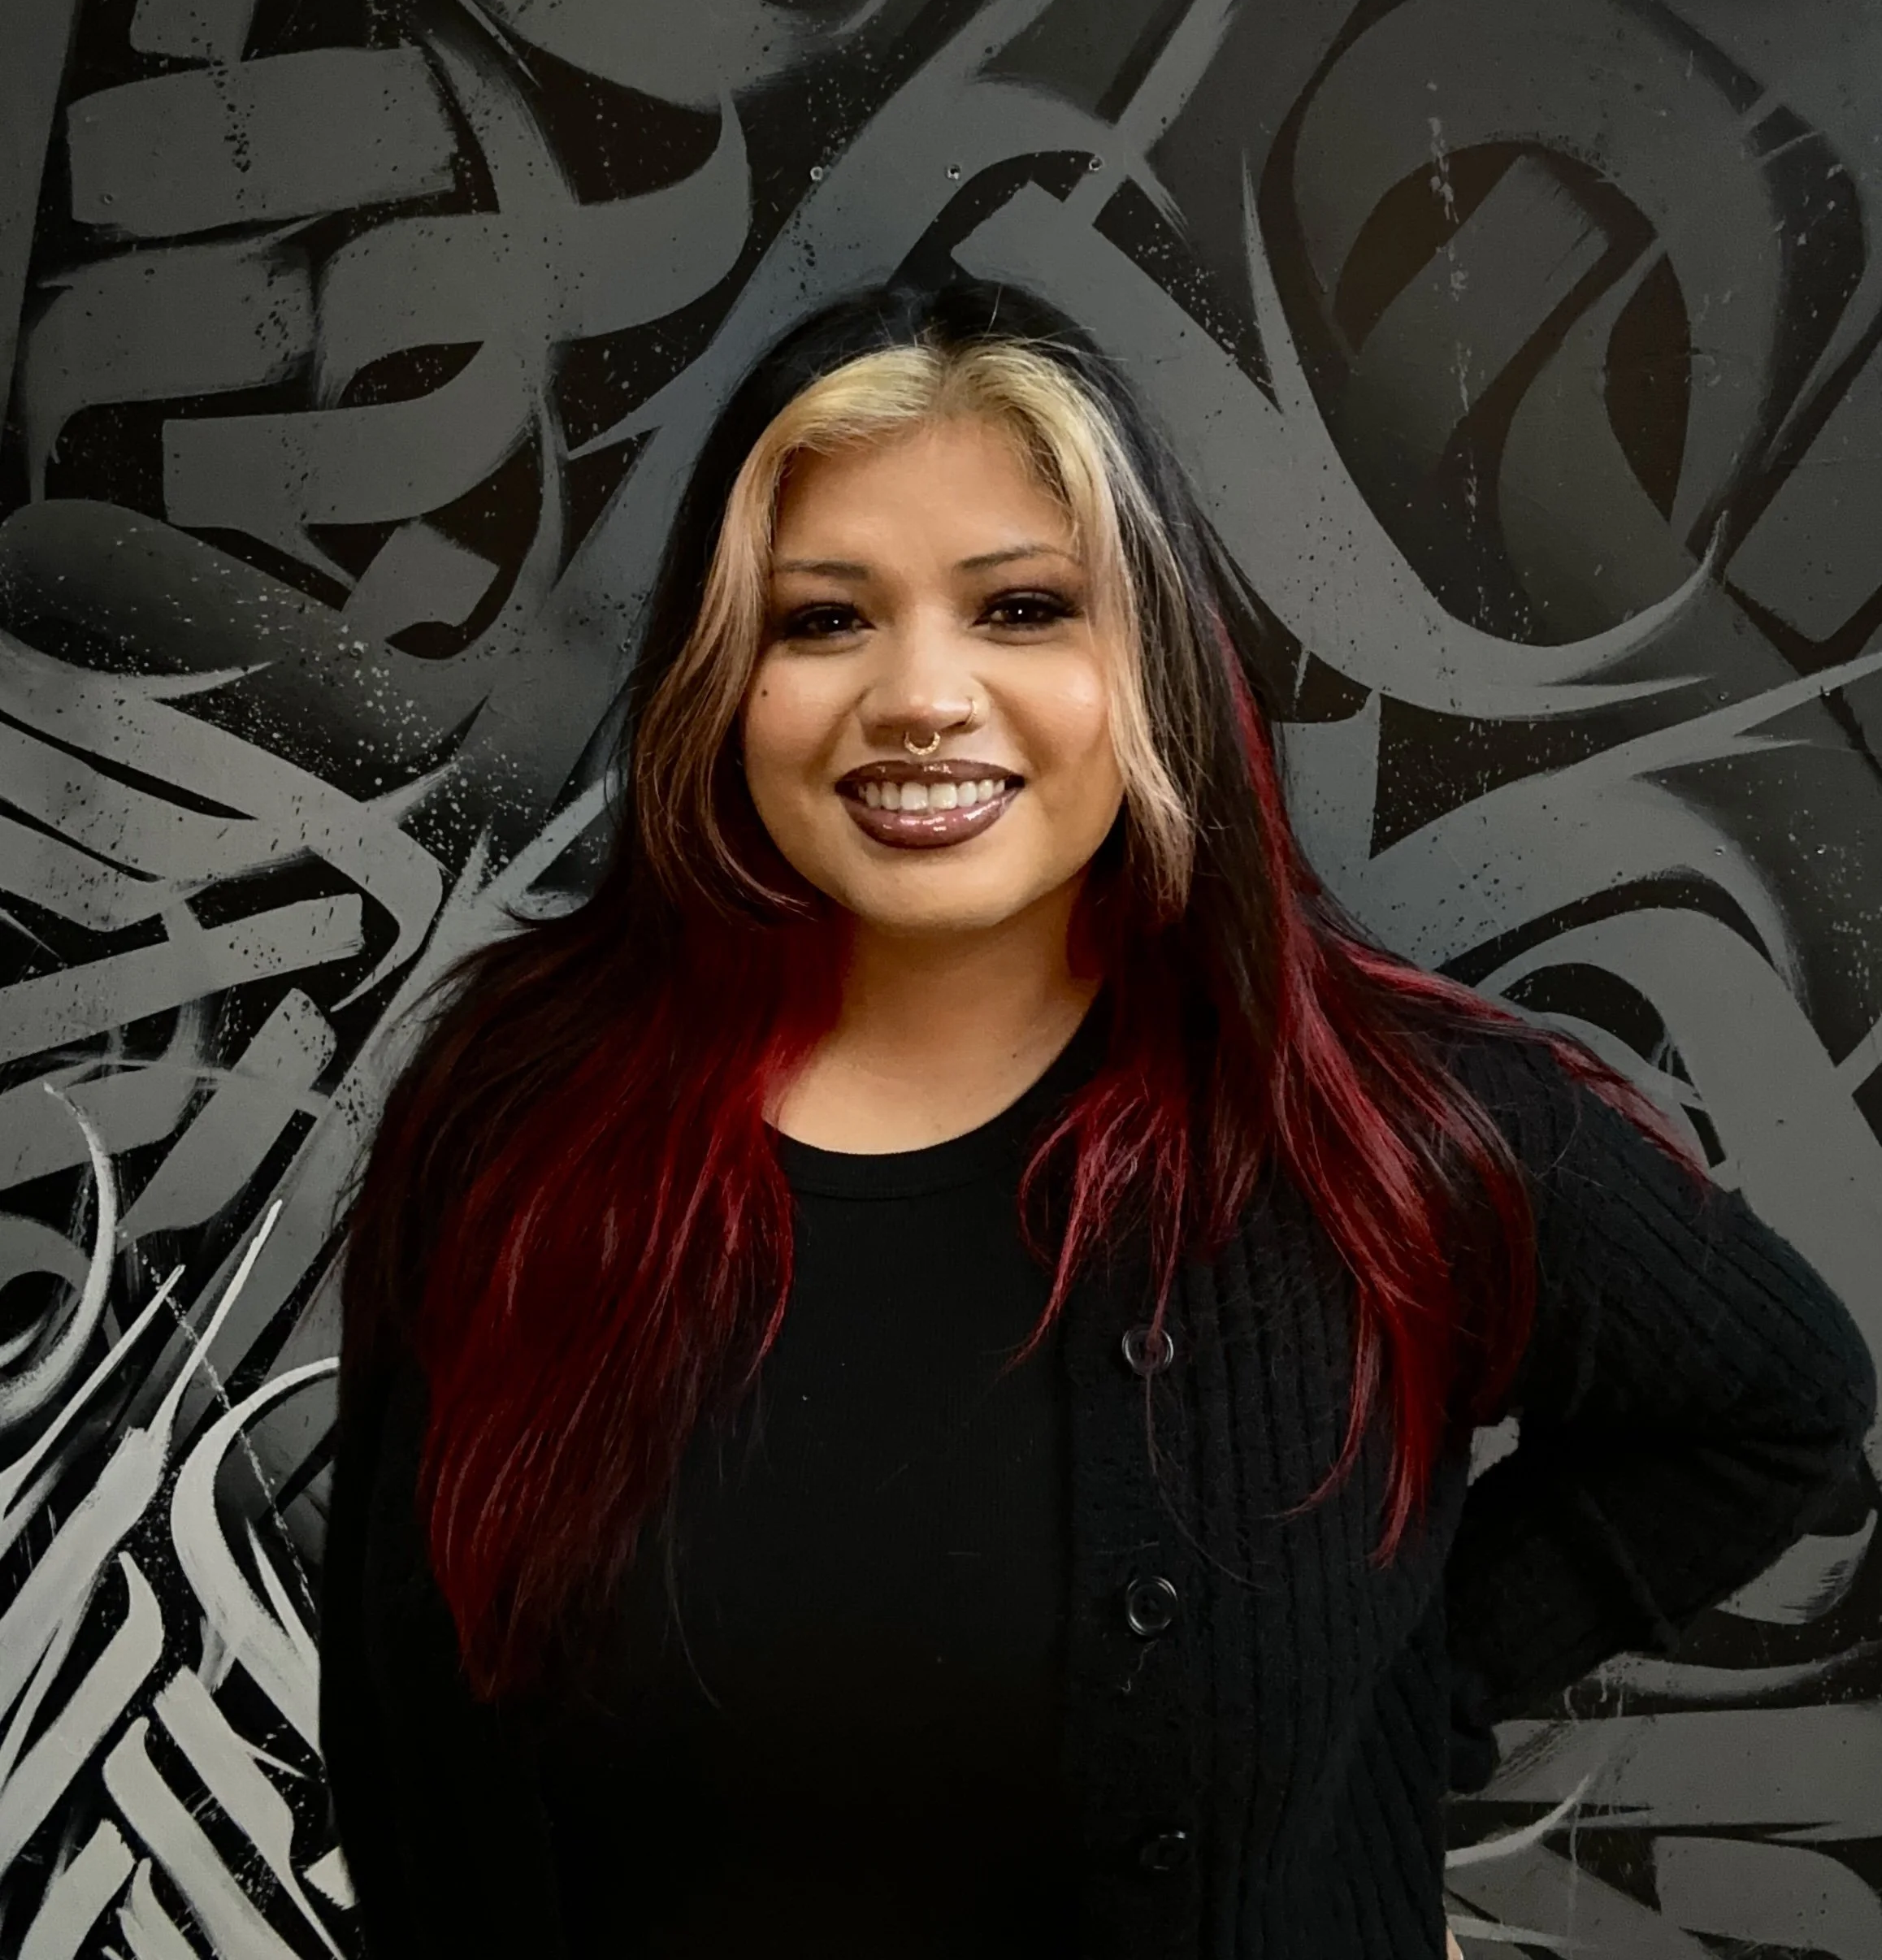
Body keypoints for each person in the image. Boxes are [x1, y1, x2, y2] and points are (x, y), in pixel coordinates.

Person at [321, 277, 1875, 1960]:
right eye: (824, 617)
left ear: (1153, 666)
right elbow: (408, 1761)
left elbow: (1778, 1405)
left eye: (1022, 606)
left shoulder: (1371, 1126)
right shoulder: (514, 1113)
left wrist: (1393, 1681)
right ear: (722, 678)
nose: (919, 695)